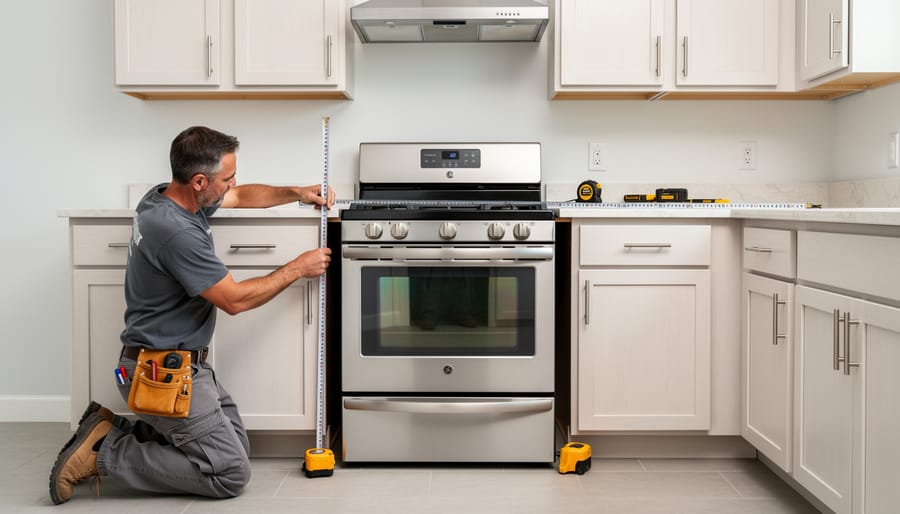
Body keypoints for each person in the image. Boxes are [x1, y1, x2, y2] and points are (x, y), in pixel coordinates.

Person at [49, 126, 334, 504]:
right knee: (230, 473)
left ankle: (108, 431)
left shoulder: (165, 197)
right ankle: (105, 453)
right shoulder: (175, 231)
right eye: (227, 177)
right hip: (161, 374)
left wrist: (295, 192)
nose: (233, 184)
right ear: (199, 181)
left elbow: (240, 196)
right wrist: (298, 268)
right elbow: (235, 301)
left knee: (234, 447)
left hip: (178, 366)